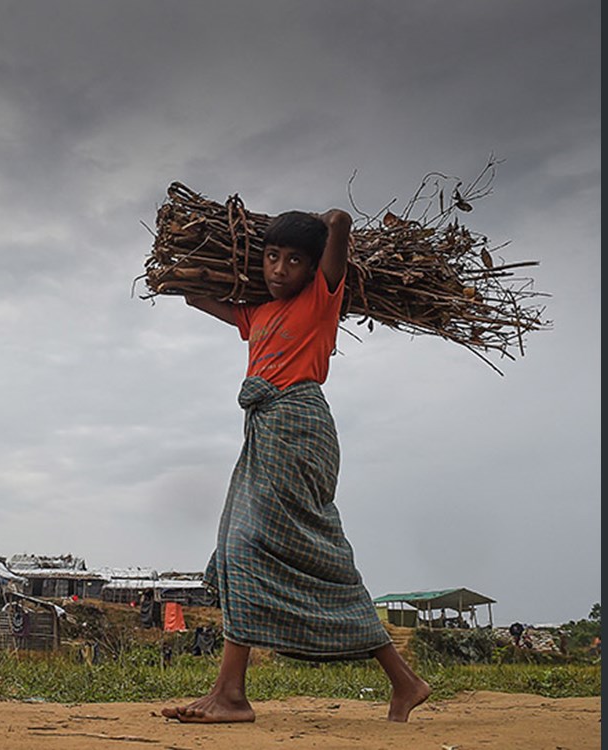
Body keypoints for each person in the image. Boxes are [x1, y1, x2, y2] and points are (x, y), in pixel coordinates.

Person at [161, 208, 431, 724]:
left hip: (300, 428)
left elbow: (337, 249)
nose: (279, 269)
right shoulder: (257, 314)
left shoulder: (318, 301)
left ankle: (232, 695)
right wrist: (188, 269)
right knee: (263, 549)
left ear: (311, 270)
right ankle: (403, 680)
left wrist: (337, 225)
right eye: (270, 257)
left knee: (247, 545)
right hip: (266, 432)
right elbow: (201, 297)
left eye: (293, 260)